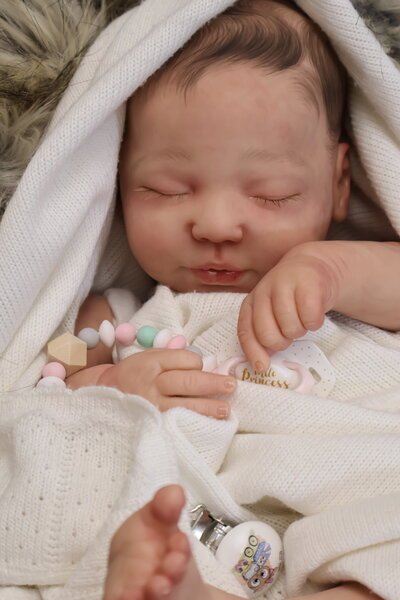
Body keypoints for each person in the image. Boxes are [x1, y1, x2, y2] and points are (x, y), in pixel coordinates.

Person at [65, 0, 399, 597]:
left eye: (271, 194)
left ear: (339, 181)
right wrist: (112, 389)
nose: (216, 225)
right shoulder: (116, 316)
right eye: (166, 189)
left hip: (361, 489)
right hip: (212, 518)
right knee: (136, 512)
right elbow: (44, 407)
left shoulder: (352, 276)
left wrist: (331, 267)